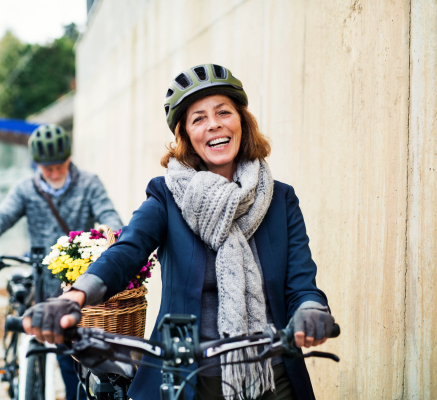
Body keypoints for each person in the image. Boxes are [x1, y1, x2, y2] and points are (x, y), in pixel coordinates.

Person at [22, 64, 335, 400]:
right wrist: (74, 296)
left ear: (241, 121)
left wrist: (311, 312)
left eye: (223, 112)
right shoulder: (166, 197)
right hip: (186, 377)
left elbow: (301, 285)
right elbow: (129, 250)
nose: (213, 123)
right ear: (186, 136)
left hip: (271, 375)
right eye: (198, 118)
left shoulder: (280, 198)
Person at [0, 123, 123, 400]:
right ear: (37, 164)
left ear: (68, 159)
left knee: (76, 352)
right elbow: (1, 216)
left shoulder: (89, 183)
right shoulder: (26, 189)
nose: (53, 173)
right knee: (51, 339)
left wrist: (117, 241)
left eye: (59, 166)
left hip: (79, 281)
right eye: (47, 168)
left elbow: (109, 215)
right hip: (43, 279)